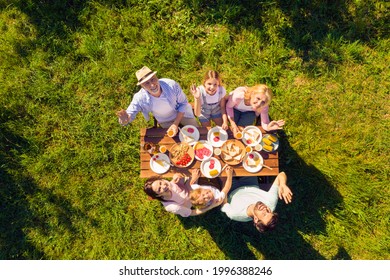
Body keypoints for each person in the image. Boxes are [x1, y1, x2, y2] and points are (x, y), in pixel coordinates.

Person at [116, 66, 198, 136]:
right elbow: (129, 114)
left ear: (156, 77)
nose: (152, 85)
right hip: (165, 120)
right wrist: (124, 120)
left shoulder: (171, 85)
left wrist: (176, 123)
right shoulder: (139, 98)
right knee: (176, 143)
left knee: (197, 133)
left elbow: (183, 103)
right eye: (146, 83)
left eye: (153, 79)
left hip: (183, 113)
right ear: (142, 86)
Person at [143, 167, 233, 217]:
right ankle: (224, 204)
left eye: (161, 183)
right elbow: (193, 212)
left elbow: (178, 184)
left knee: (201, 168)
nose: (164, 186)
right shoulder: (173, 207)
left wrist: (176, 178)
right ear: (158, 195)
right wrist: (211, 206)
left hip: (193, 186)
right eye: (159, 189)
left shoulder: (166, 184)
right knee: (222, 181)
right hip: (196, 197)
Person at [221, 172, 292, 233]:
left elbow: (223, 204)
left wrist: (225, 180)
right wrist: (283, 184)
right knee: (248, 160)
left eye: (264, 214)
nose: (265, 209)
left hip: (231, 188)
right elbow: (281, 174)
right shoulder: (270, 203)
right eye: (269, 211)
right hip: (250, 183)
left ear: (255, 219)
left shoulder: (235, 214)